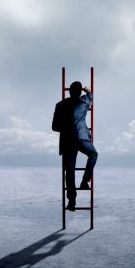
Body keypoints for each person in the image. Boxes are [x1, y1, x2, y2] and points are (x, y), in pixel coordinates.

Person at [51, 80, 98, 212]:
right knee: (93, 155)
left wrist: (67, 127)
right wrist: (86, 89)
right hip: (82, 138)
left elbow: (55, 127)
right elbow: (90, 94)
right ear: (79, 92)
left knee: (69, 172)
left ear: (69, 91)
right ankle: (85, 181)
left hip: (67, 141)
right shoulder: (84, 102)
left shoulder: (60, 105)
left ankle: (71, 202)